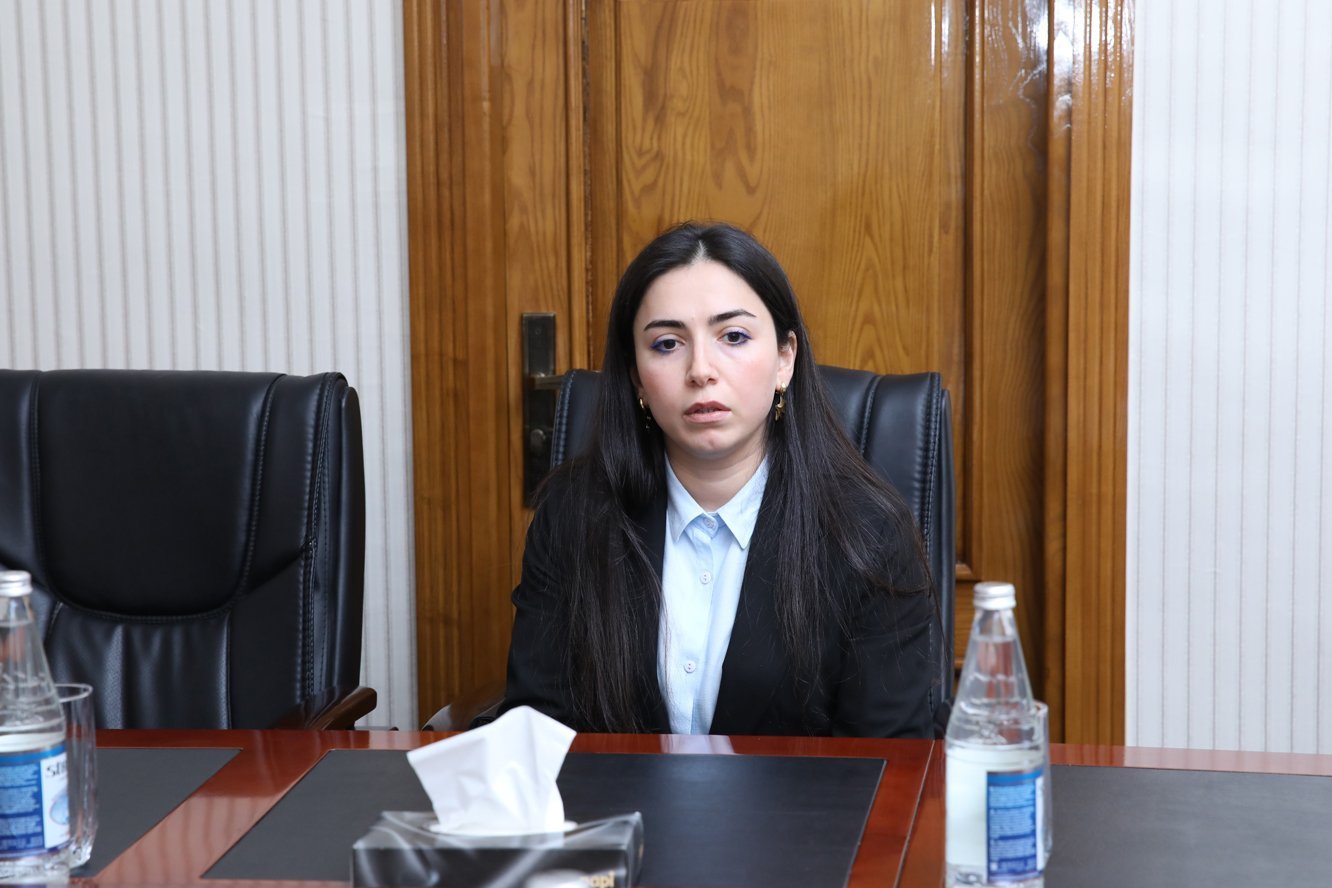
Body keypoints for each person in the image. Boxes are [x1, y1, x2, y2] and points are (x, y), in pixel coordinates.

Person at [502, 221, 941, 737]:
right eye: (667, 344)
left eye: (733, 337)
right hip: (614, 794)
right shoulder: (574, 513)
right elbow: (538, 728)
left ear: (785, 359)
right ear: (637, 377)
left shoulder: (870, 532)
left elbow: (890, 758)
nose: (701, 370)